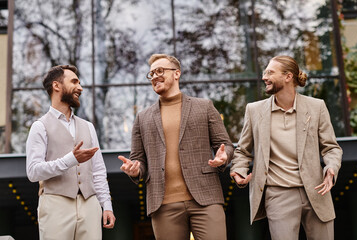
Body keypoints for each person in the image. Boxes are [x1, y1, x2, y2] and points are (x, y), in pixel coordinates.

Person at [118, 54, 234, 240]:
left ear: (177, 74)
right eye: (151, 74)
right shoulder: (143, 117)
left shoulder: (204, 107)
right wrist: (135, 170)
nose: (154, 76)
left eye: (160, 71)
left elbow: (226, 145)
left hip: (206, 199)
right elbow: (138, 158)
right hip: (163, 205)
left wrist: (224, 157)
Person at [230, 55, 342, 240]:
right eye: (265, 72)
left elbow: (331, 148)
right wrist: (239, 170)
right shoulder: (254, 110)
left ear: (288, 76)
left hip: (316, 191)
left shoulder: (316, 107)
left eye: (270, 72)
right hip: (278, 195)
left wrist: (331, 168)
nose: (264, 77)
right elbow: (242, 151)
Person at [26, 65, 116, 240]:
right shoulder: (40, 126)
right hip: (55, 204)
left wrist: (106, 205)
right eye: (74, 82)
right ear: (56, 86)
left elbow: (98, 171)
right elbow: (33, 171)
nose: (80, 88)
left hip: (90, 204)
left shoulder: (88, 127)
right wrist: (70, 159)